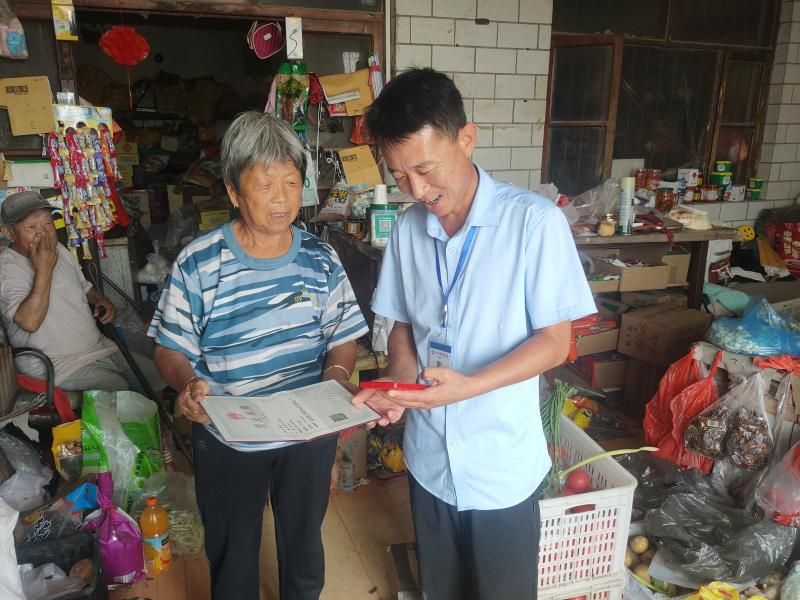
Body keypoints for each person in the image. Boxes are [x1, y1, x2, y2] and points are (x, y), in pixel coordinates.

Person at [353, 68, 597, 600]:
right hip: (429, 461)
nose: (417, 190)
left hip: (500, 466)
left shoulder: (533, 224)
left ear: (466, 138)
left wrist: (469, 387)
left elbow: (555, 343)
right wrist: (398, 384)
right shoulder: (408, 230)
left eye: (425, 168)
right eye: (400, 176)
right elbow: (402, 326)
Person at [148, 111, 368, 600]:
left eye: (291, 182)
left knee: (304, 540)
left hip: (306, 428)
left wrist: (334, 377)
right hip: (227, 430)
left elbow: (344, 335)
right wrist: (187, 384)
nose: (282, 199)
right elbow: (169, 347)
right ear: (233, 191)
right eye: (266, 185)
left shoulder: (320, 258)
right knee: (233, 547)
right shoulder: (200, 261)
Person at [0, 191, 162, 395]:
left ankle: (158, 416)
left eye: (48, 223)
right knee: (116, 390)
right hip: (58, 366)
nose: (43, 233)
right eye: (31, 227)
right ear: (9, 233)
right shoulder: (6, 268)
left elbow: (84, 286)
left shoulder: (59, 249)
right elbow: (29, 322)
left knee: (155, 375)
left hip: (99, 349)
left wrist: (101, 299)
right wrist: (44, 269)